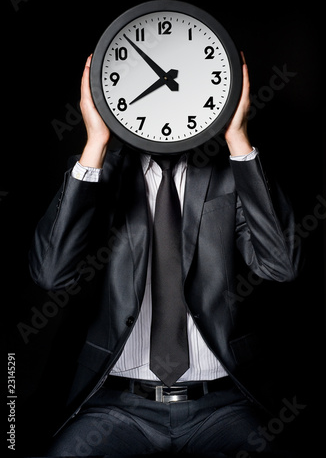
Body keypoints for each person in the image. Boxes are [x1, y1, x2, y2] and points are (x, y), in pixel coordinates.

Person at [29, 52, 302, 457]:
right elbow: (51, 273)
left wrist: (238, 139)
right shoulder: (100, 176)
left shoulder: (230, 175)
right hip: (118, 409)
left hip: (222, 406)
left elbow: (280, 265)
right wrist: (95, 143)